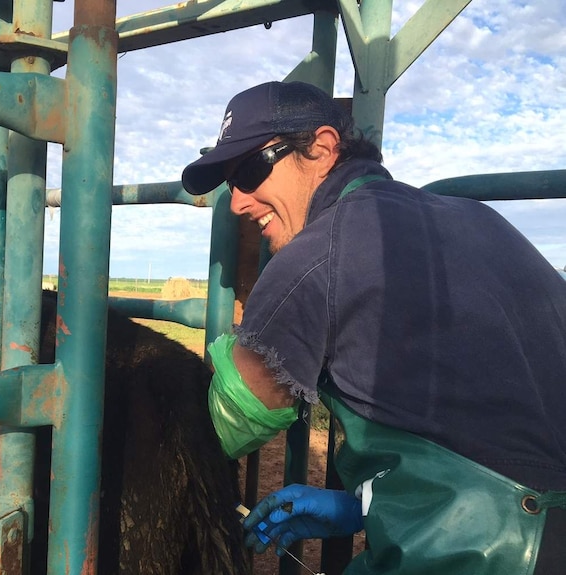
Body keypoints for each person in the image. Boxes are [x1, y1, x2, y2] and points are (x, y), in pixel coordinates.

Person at [181, 80, 566, 574]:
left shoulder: (316, 254)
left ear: (321, 148)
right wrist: (362, 505)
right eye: (230, 182)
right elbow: (484, 422)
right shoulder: (479, 218)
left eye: (251, 170)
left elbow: (225, 424)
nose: (236, 202)